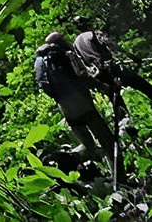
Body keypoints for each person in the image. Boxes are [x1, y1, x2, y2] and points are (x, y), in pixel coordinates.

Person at [34, 32, 120, 172]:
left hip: (68, 112)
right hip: (84, 106)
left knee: (89, 147)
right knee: (108, 142)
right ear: (60, 41)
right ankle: (119, 179)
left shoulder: (39, 62)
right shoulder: (65, 54)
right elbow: (83, 76)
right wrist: (103, 87)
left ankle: (70, 163)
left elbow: (45, 87)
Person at [72, 30, 152, 108]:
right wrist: (132, 57)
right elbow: (114, 47)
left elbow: (81, 63)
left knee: (116, 101)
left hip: (100, 74)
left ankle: (126, 127)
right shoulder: (94, 34)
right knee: (142, 84)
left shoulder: (75, 45)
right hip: (112, 67)